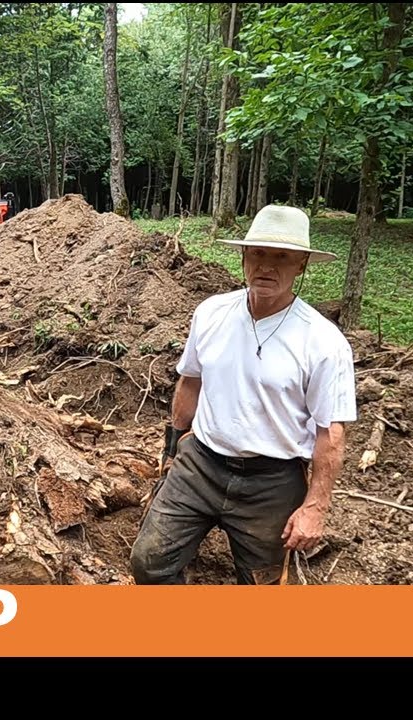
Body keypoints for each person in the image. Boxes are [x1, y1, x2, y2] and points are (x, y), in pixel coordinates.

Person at [130, 204, 357, 585]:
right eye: (259, 254)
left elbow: (329, 432)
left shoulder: (323, 342)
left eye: (282, 257)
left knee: (260, 583)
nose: (267, 266)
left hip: (272, 481)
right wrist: (172, 451)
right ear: (244, 257)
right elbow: (190, 382)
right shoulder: (211, 313)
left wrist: (314, 508)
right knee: (149, 562)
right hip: (201, 463)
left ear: (301, 264)